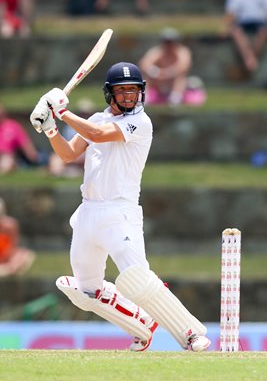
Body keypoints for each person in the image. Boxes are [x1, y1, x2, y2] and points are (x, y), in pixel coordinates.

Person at [30, 62, 211, 352]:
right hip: (88, 212)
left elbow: (100, 134)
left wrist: (61, 112)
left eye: (134, 90)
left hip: (120, 214)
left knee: (137, 280)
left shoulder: (140, 122)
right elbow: (68, 154)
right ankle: (140, 326)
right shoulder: (98, 118)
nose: (129, 96)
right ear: (109, 93)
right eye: (122, 90)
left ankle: (190, 333)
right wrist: (51, 129)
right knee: (85, 291)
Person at [139, 27, 206, 106]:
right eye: (166, 42)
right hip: (158, 83)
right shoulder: (157, 51)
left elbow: (184, 66)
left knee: (180, 78)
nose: (169, 45)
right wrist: (156, 73)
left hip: (174, 83)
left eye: (171, 42)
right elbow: (144, 64)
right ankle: (146, 98)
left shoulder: (182, 51)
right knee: (147, 78)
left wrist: (167, 73)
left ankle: (175, 98)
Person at [225, 0, 267, 73]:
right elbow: (231, 12)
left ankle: (250, 59)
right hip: (242, 22)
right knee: (236, 31)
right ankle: (251, 59)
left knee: (263, 31)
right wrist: (227, 26)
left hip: (260, 22)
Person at [0, 197, 35, 277]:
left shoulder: (11, 224)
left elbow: (14, 244)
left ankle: (7, 270)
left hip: (8, 258)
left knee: (26, 255)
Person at [0, 104, 38, 174]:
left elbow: (27, 147)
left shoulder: (12, 126)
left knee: (7, 161)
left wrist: (33, 157)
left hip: (13, 158)